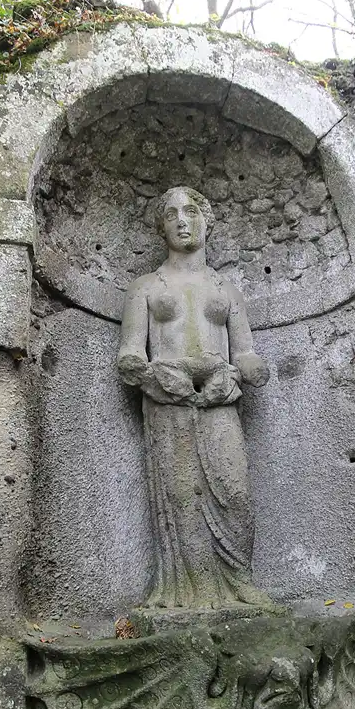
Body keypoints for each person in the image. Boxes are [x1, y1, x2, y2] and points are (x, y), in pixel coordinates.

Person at [118, 185, 271, 609]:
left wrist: (250, 370)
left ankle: (240, 581)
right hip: (169, 399)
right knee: (183, 495)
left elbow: (244, 352)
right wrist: (151, 374)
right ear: (161, 228)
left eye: (190, 211)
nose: (181, 220)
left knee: (235, 491)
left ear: (207, 220)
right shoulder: (146, 286)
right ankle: (189, 593)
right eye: (171, 214)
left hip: (221, 399)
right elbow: (131, 352)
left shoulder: (227, 290)